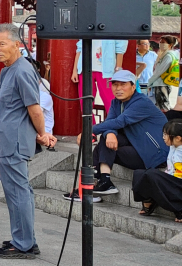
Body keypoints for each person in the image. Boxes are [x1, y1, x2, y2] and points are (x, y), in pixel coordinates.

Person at [0, 23, 56, 259]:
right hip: (6, 139)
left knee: (18, 192)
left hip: (15, 141)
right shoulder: (8, 70)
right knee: (15, 192)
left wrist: (43, 133)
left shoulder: (23, 70)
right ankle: (24, 238)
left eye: (2, 44)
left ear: (17, 44)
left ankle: (23, 243)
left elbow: (34, 108)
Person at [64, 69, 167, 202]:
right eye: (115, 84)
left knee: (103, 147)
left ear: (133, 86)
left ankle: (94, 185)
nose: (118, 88)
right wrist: (110, 134)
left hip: (153, 153)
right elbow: (110, 122)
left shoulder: (141, 102)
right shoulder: (116, 102)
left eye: (123, 84)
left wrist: (89, 130)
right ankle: (101, 183)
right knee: (106, 140)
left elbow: (119, 121)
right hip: (135, 145)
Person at [71, 38, 128, 110]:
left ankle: (113, 121)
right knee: (85, 104)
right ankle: (91, 122)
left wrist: (118, 69)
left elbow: (120, 49)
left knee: (110, 102)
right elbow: (80, 48)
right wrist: (75, 70)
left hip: (107, 71)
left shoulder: (115, 27)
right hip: (84, 68)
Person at [147, 36, 180, 110]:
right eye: (160, 42)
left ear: (170, 44)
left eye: (163, 42)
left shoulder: (168, 56)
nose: (161, 44)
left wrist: (149, 82)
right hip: (163, 83)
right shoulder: (170, 54)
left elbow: (159, 71)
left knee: (163, 106)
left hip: (161, 84)